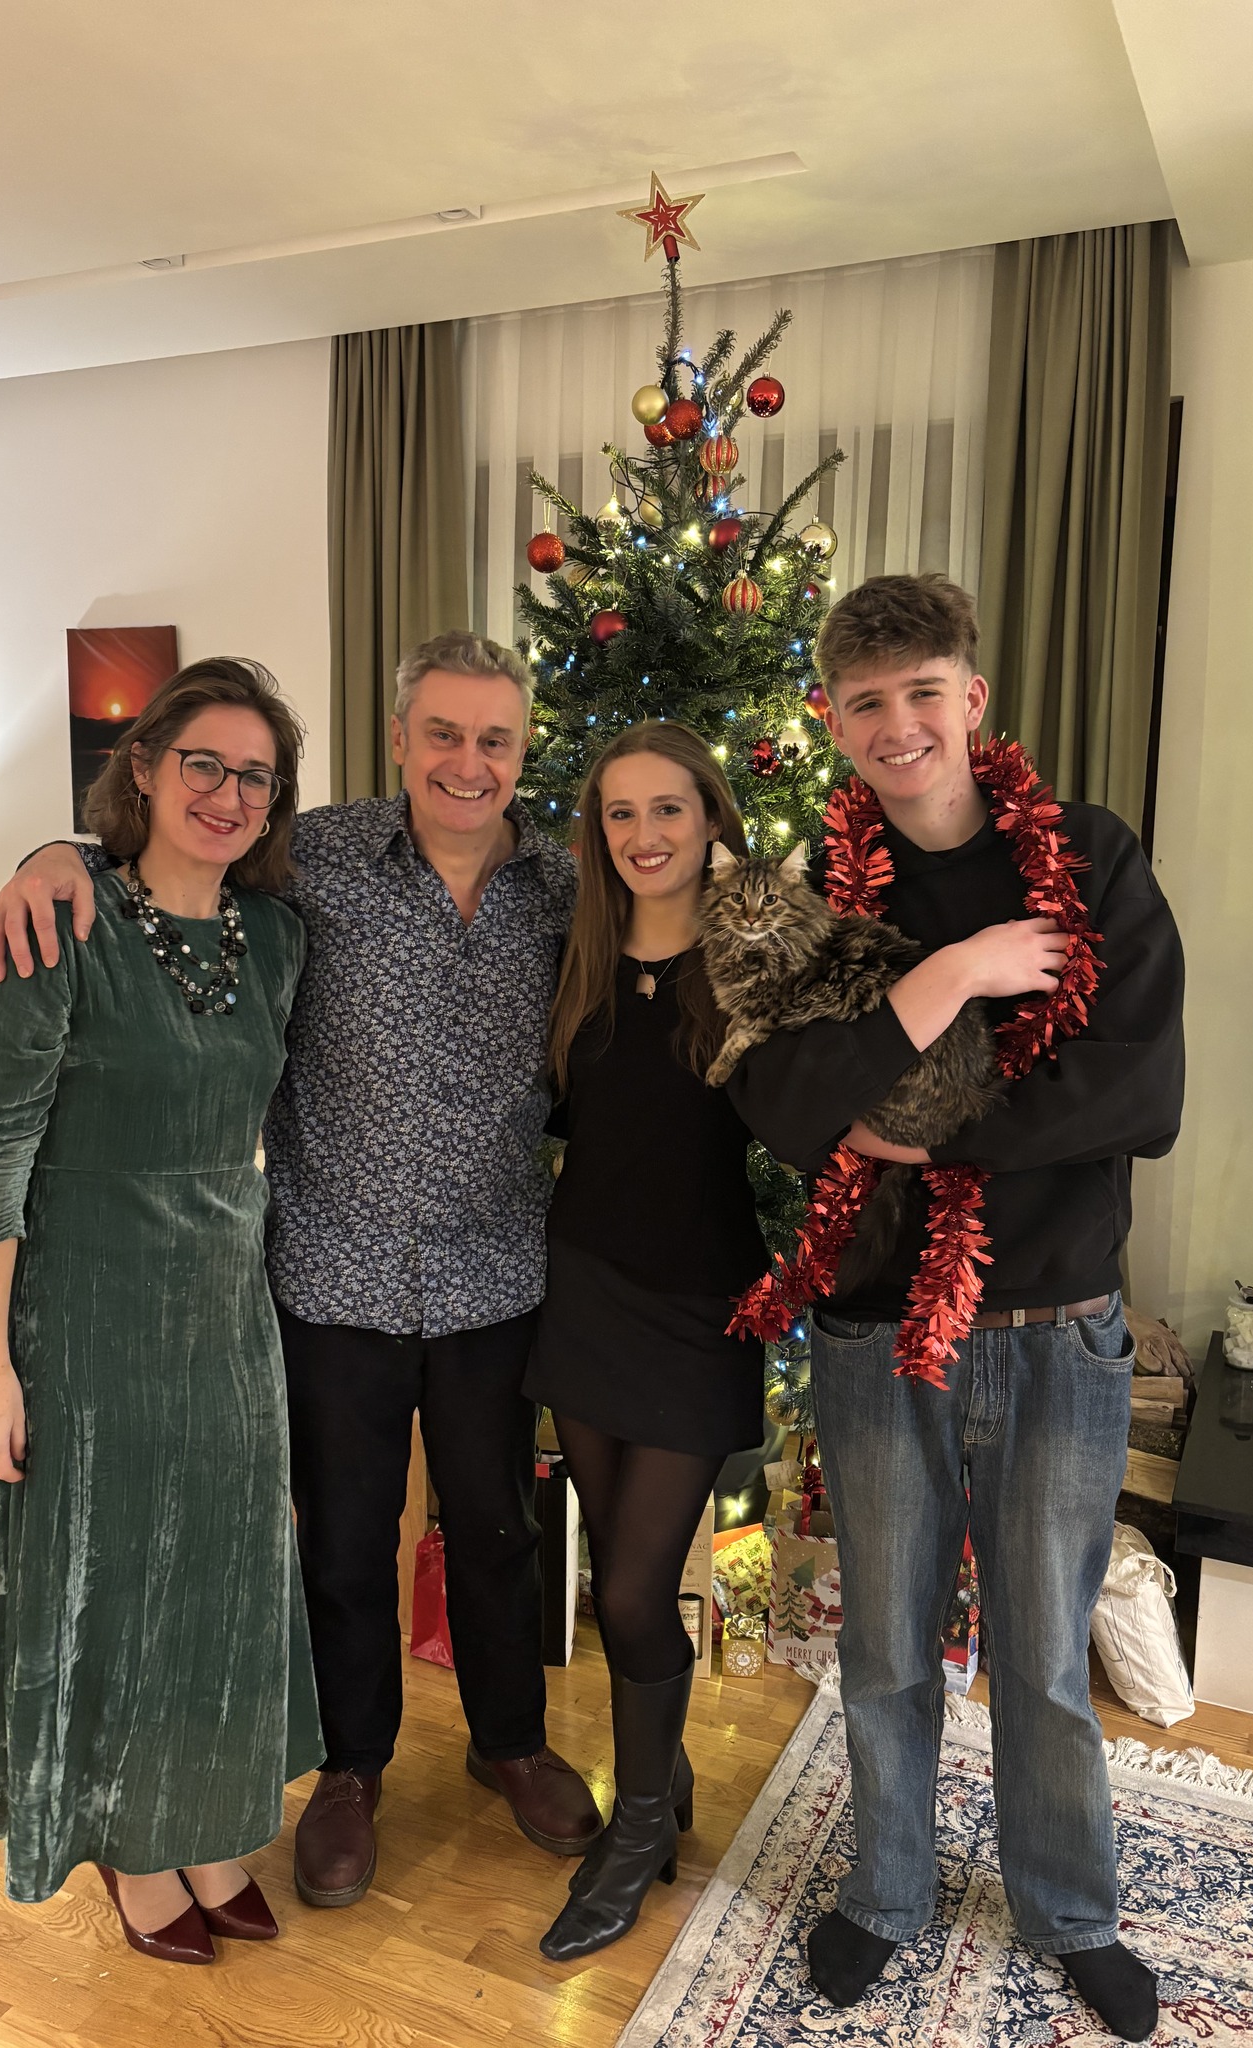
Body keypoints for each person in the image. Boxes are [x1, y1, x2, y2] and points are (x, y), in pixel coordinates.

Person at [0, 632, 601, 1911]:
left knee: (495, 1526)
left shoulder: (564, 885)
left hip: (494, 1269)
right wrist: (53, 853)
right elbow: (168, 860)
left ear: (522, 749)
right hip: (328, 1270)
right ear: (401, 737)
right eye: (443, 732)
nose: (468, 761)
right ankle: (351, 1768)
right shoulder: (315, 859)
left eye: (494, 738)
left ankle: (510, 1740)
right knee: (343, 1537)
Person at [727, 574, 1184, 2045]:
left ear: (971, 698)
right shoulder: (819, 898)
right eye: (866, 702)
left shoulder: (1087, 860)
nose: (898, 724)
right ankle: (887, 1890)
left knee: (1045, 1652)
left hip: (1057, 1325)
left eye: (923, 691)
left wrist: (924, 1137)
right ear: (834, 720)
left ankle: (1070, 1911)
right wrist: (950, 975)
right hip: (875, 1329)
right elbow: (789, 1102)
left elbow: (1139, 1091)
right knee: (884, 1644)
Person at [0, 658, 323, 1962]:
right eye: (204, 763)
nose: (228, 794)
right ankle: (129, 1839)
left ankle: (207, 1821)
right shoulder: (62, 923)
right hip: (88, 1308)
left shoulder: (277, 936)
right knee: (114, 1586)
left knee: (221, 1577)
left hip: (227, 1308)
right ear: (148, 768)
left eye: (255, 776)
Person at [526, 723, 767, 1961]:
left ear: (711, 816)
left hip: (701, 1308)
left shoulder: (753, 963)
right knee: (615, 1566)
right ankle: (661, 1779)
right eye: (620, 812)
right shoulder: (573, 955)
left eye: (668, 807)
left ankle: (637, 1831)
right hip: (583, 1291)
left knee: (631, 1586)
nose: (644, 833)